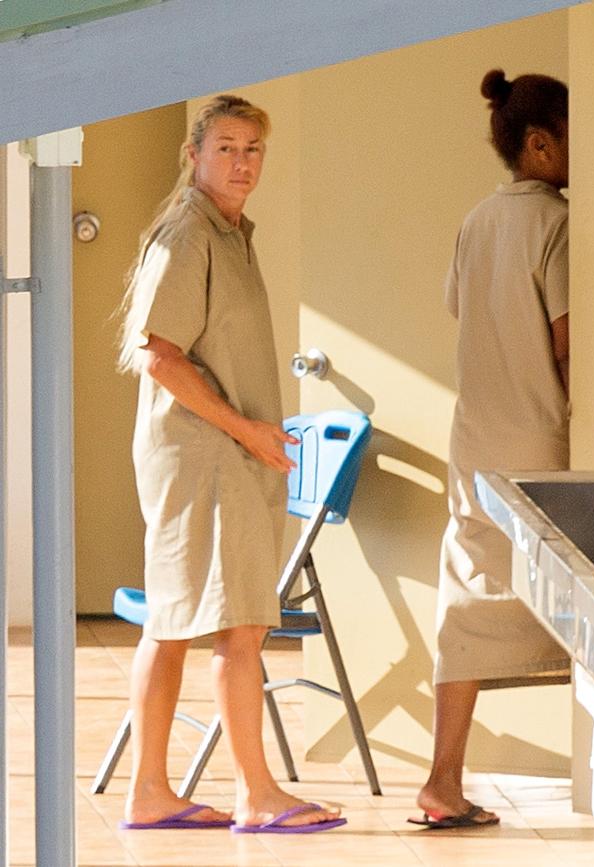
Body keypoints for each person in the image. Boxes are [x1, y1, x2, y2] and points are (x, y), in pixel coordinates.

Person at [116, 94, 345, 834]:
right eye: (226, 148)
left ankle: (152, 791)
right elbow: (158, 357)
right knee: (239, 626)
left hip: (220, 455)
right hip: (206, 457)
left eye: (253, 150)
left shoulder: (231, 232)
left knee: (178, 622)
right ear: (194, 155)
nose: (242, 163)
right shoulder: (188, 235)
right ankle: (257, 792)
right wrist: (247, 430)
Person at [411, 69, 571, 830]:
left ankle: (442, 779)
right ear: (540, 144)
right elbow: (571, 340)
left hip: (474, 440)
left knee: (467, 604)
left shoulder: (477, 220)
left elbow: (460, 308)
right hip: (543, 440)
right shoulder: (561, 223)